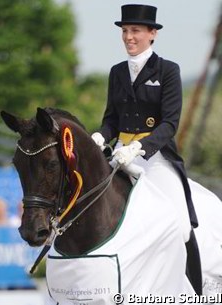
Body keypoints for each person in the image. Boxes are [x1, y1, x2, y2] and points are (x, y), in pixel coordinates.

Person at [91, 4, 201, 294]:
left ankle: (192, 287)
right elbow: (111, 119)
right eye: (125, 31)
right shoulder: (116, 72)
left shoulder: (167, 70)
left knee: (181, 225)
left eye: (135, 31)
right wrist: (100, 137)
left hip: (156, 157)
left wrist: (139, 146)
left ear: (152, 34)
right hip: (119, 155)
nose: (129, 37)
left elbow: (169, 124)